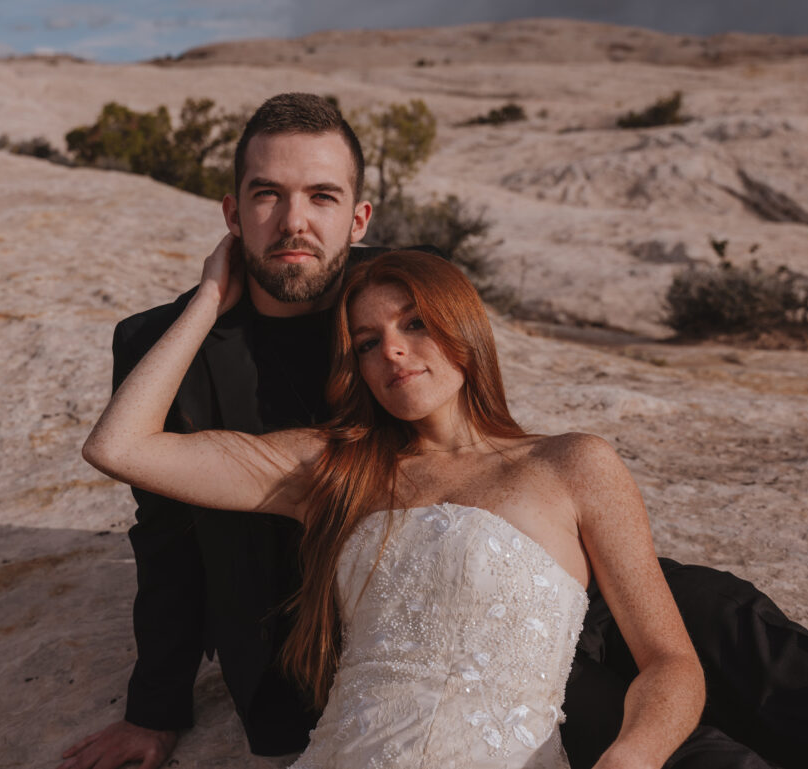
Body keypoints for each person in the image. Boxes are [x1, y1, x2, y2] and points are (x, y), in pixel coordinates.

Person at [59, 93, 808, 769]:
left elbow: (475, 438)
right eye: (267, 195)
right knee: (669, 736)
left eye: (322, 196)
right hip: (377, 621)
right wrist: (154, 706)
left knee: (721, 614)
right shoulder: (163, 345)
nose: (295, 221)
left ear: (358, 214)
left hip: (507, 558)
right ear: (233, 213)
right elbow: (160, 529)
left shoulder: (397, 289)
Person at [81, 240, 707, 768]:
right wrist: (209, 300)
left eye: (414, 323)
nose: (393, 352)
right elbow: (120, 445)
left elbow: (671, 662)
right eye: (366, 343)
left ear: (462, 325)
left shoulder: (573, 464)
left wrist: (632, 757)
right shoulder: (333, 468)